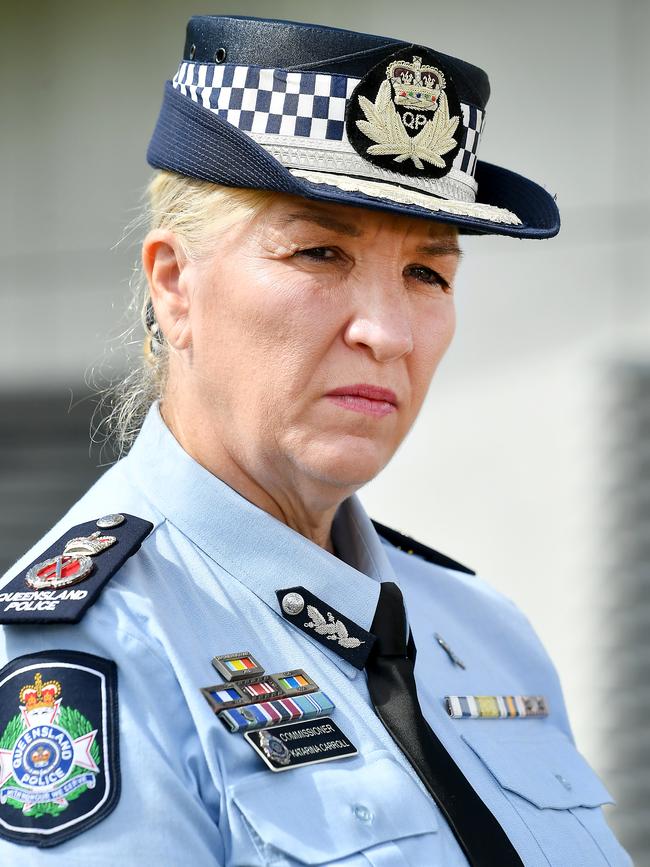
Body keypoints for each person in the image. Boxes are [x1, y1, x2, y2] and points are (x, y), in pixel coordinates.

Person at [0, 13, 631, 866]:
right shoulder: (83, 658)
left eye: (427, 272)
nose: (387, 331)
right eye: (319, 253)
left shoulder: (486, 631)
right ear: (174, 285)